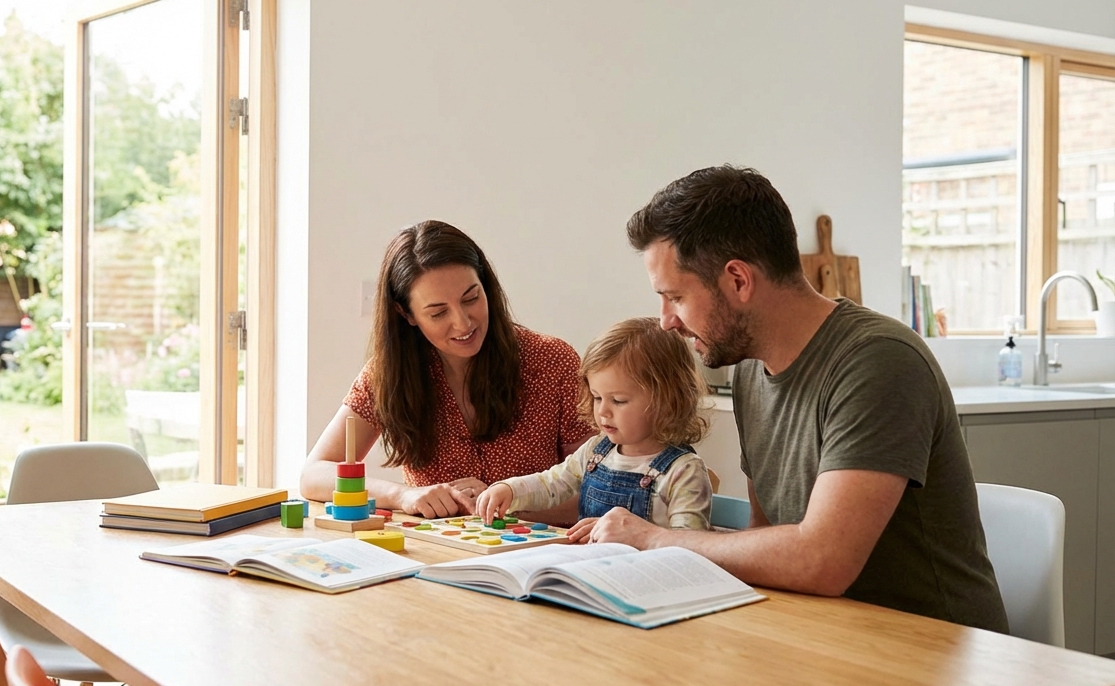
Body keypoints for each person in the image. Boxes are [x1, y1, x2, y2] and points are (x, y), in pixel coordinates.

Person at [582, 164, 1007, 632]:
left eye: (675, 297)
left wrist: (655, 540)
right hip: (821, 632)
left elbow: (822, 560)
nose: (666, 320)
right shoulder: (748, 369)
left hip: (930, 652)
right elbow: (767, 539)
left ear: (738, 281)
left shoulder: (879, 362)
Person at [300, 220, 593, 520]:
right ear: (407, 315)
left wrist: (503, 501)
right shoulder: (390, 374)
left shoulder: (552, 361)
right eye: (438, 312)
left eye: (471, 298)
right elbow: (313, 475)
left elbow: (597, 490)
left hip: (536, 555)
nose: (464, 323)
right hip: (436, 555)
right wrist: (403, 495)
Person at [476, 317, 712, 532]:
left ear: (667, 401)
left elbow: (689, 545)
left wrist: (629, 534)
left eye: (618, 400)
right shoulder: (595, 452)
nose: (603, 411)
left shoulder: (684, 472)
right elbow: (552, 483)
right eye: (597, 397)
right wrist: (509, 489)